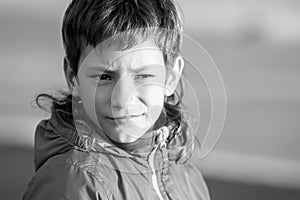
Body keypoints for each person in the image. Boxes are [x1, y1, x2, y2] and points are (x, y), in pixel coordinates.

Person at [23, 0, 210, 199]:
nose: (122, 99)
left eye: (143, 76)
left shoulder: (187, 178)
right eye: (104, 76)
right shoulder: (73, 184)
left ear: (171, 76)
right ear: (72, 76)